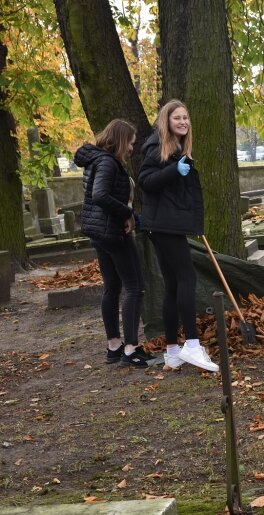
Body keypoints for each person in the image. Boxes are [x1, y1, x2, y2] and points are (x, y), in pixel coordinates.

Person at [138, 99, 219, 372]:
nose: (183, 122)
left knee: (173, 284)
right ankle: (193, 345)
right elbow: (145, 182)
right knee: (187, 278)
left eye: (185, 117)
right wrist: (174, 170)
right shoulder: (157, 147)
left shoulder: (177, 147)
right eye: (177, 118)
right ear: (166, 121)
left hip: (167, 223)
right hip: (164, 225)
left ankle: (172, 352)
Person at [76, 119, 158, 368]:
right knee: (135, 287)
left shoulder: (96, 160)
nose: (132, 148)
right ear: (121, 140)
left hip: (100, 232)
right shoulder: (107, 163)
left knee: (112, 287)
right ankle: (131, 348)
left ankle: (114, 346)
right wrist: (128, 214)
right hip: (112, 233)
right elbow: (99, 195)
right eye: (131, 143)